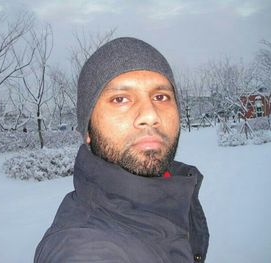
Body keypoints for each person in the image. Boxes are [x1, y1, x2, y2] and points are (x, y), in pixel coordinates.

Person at [34, 37, 209, 263]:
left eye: (160, 97)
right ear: (87, 129)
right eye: (120, 99)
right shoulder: (83, 249)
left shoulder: (171, 193)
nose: (150, 115)